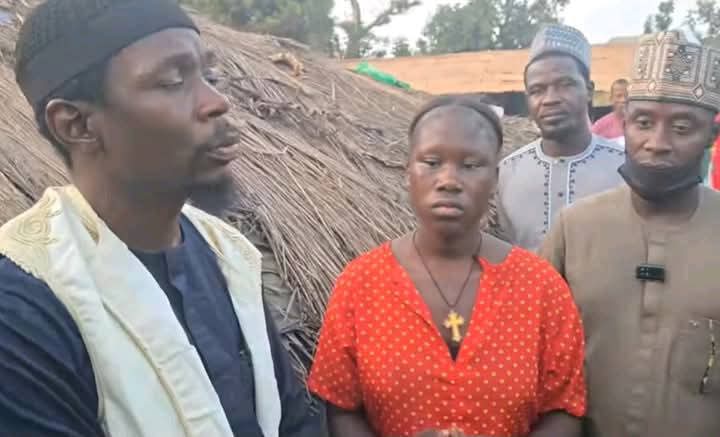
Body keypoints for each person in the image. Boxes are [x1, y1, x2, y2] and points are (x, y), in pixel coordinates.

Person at [0, 0, 321, 436]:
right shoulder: (21, 307)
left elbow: (292, 422)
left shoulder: (229, 254)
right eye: (172, 81)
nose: (217, 102)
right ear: (76, 125)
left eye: (210, 77)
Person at [308, 95, 586, 437]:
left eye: (470, 165)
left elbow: (564, 409)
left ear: (495, 178)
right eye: (432, 162)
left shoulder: (540, 285)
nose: (449, 180)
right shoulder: (361, 283)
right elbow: (341, 408)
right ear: (408, 173)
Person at [540, 30, 720, 437]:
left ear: (710, 137)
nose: (657, 143)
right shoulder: (575, 229)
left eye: (682, 127)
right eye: (643, 123)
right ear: (625, 124)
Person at [495, 24, 624, 251]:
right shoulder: (506, 173)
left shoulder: (626, 168)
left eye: (565, 85)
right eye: (537, 90)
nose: (550, 99)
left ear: (589, 91)